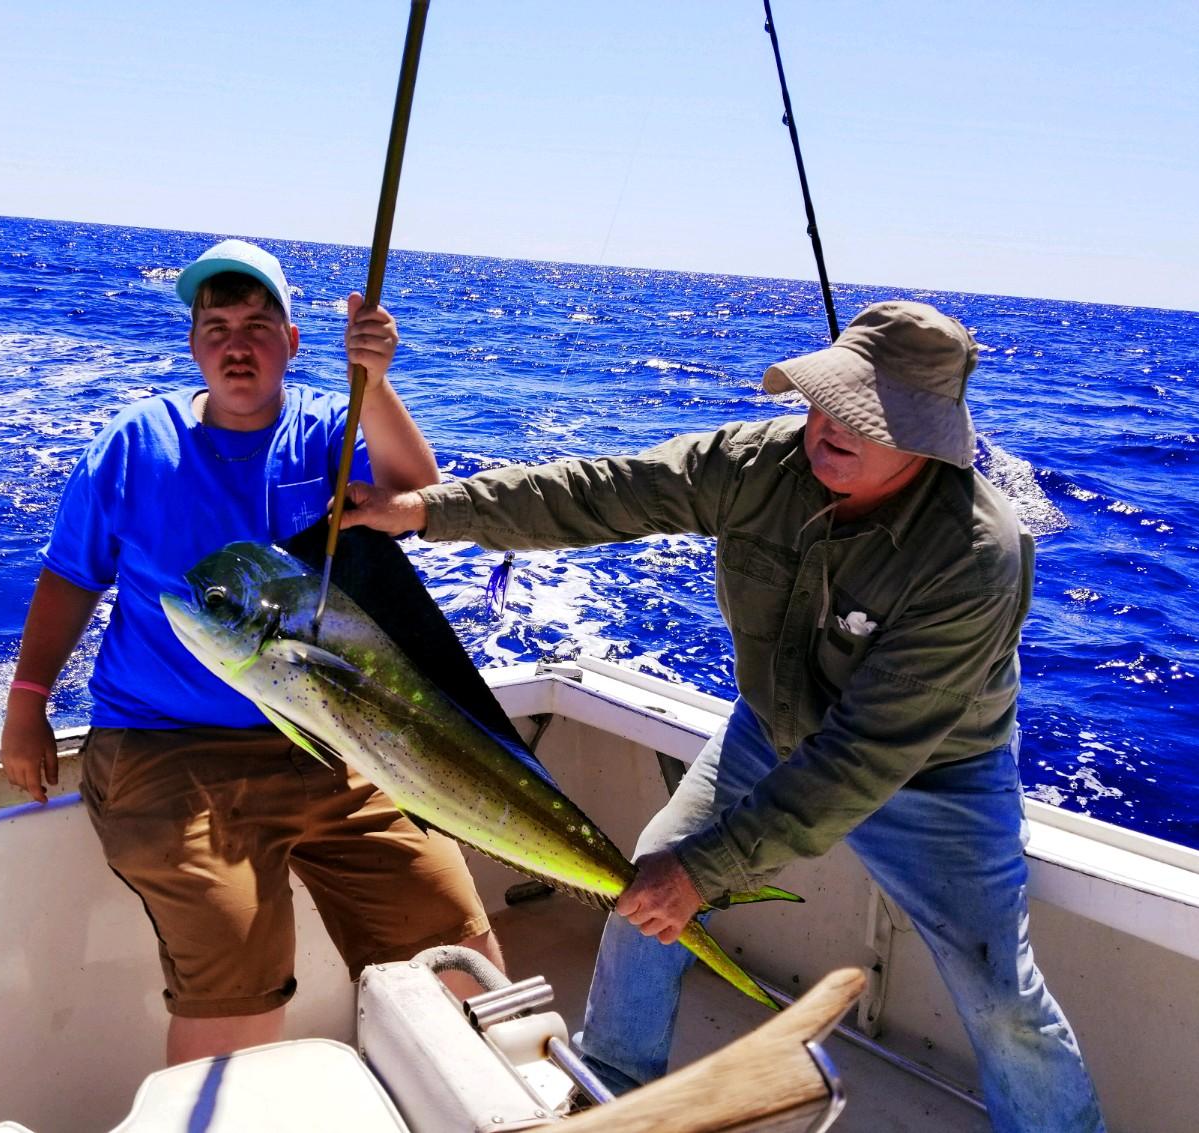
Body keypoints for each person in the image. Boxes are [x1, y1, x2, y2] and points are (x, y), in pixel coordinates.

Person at [341, 301, 1104, 1131]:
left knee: (998, 995)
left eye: (863, 414)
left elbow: (863, 754)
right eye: (825, 398)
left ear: (926, 436)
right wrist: (428, 511)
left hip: (932, 772)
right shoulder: (757, 463)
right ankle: (610, 1086)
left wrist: (708, 869)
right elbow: (605, 492)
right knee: (646, 880)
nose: (827, 424)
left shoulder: (974, 553)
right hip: (770, 727)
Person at [0, 238, 501, 1065]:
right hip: (167, 749)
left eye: (259, 324)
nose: (237, 342)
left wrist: (373, 378)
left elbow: (420, 491)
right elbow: (68, 576)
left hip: (331, 737)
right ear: (195, 346)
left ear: (293, 343)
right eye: (217, 325)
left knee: (457, 951)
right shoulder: (135, 444)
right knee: (238, 973)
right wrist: (27, 704)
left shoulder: (329, 428)